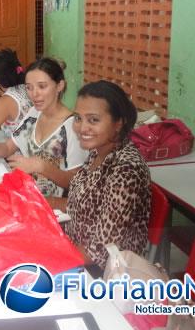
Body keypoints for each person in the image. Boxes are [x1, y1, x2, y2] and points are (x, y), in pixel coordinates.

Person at [61, 80, 151, 267]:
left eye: (93, 120)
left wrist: (41, 256)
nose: (82, 128)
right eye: (78, 118)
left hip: (104, 274)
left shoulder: (126, 172)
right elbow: (80, 205)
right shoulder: (99, 150)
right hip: (74, 249)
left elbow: (98, 254)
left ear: (118, 123)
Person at [0, 58, 87, 196]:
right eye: (29, 87)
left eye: (42, 86)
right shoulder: (34, 114)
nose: (34, 94)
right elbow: (8, 148)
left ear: (59, 86)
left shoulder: (73, 126)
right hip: (27, 197)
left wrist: (42, 167)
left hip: (54, 209)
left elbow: (76, 183)